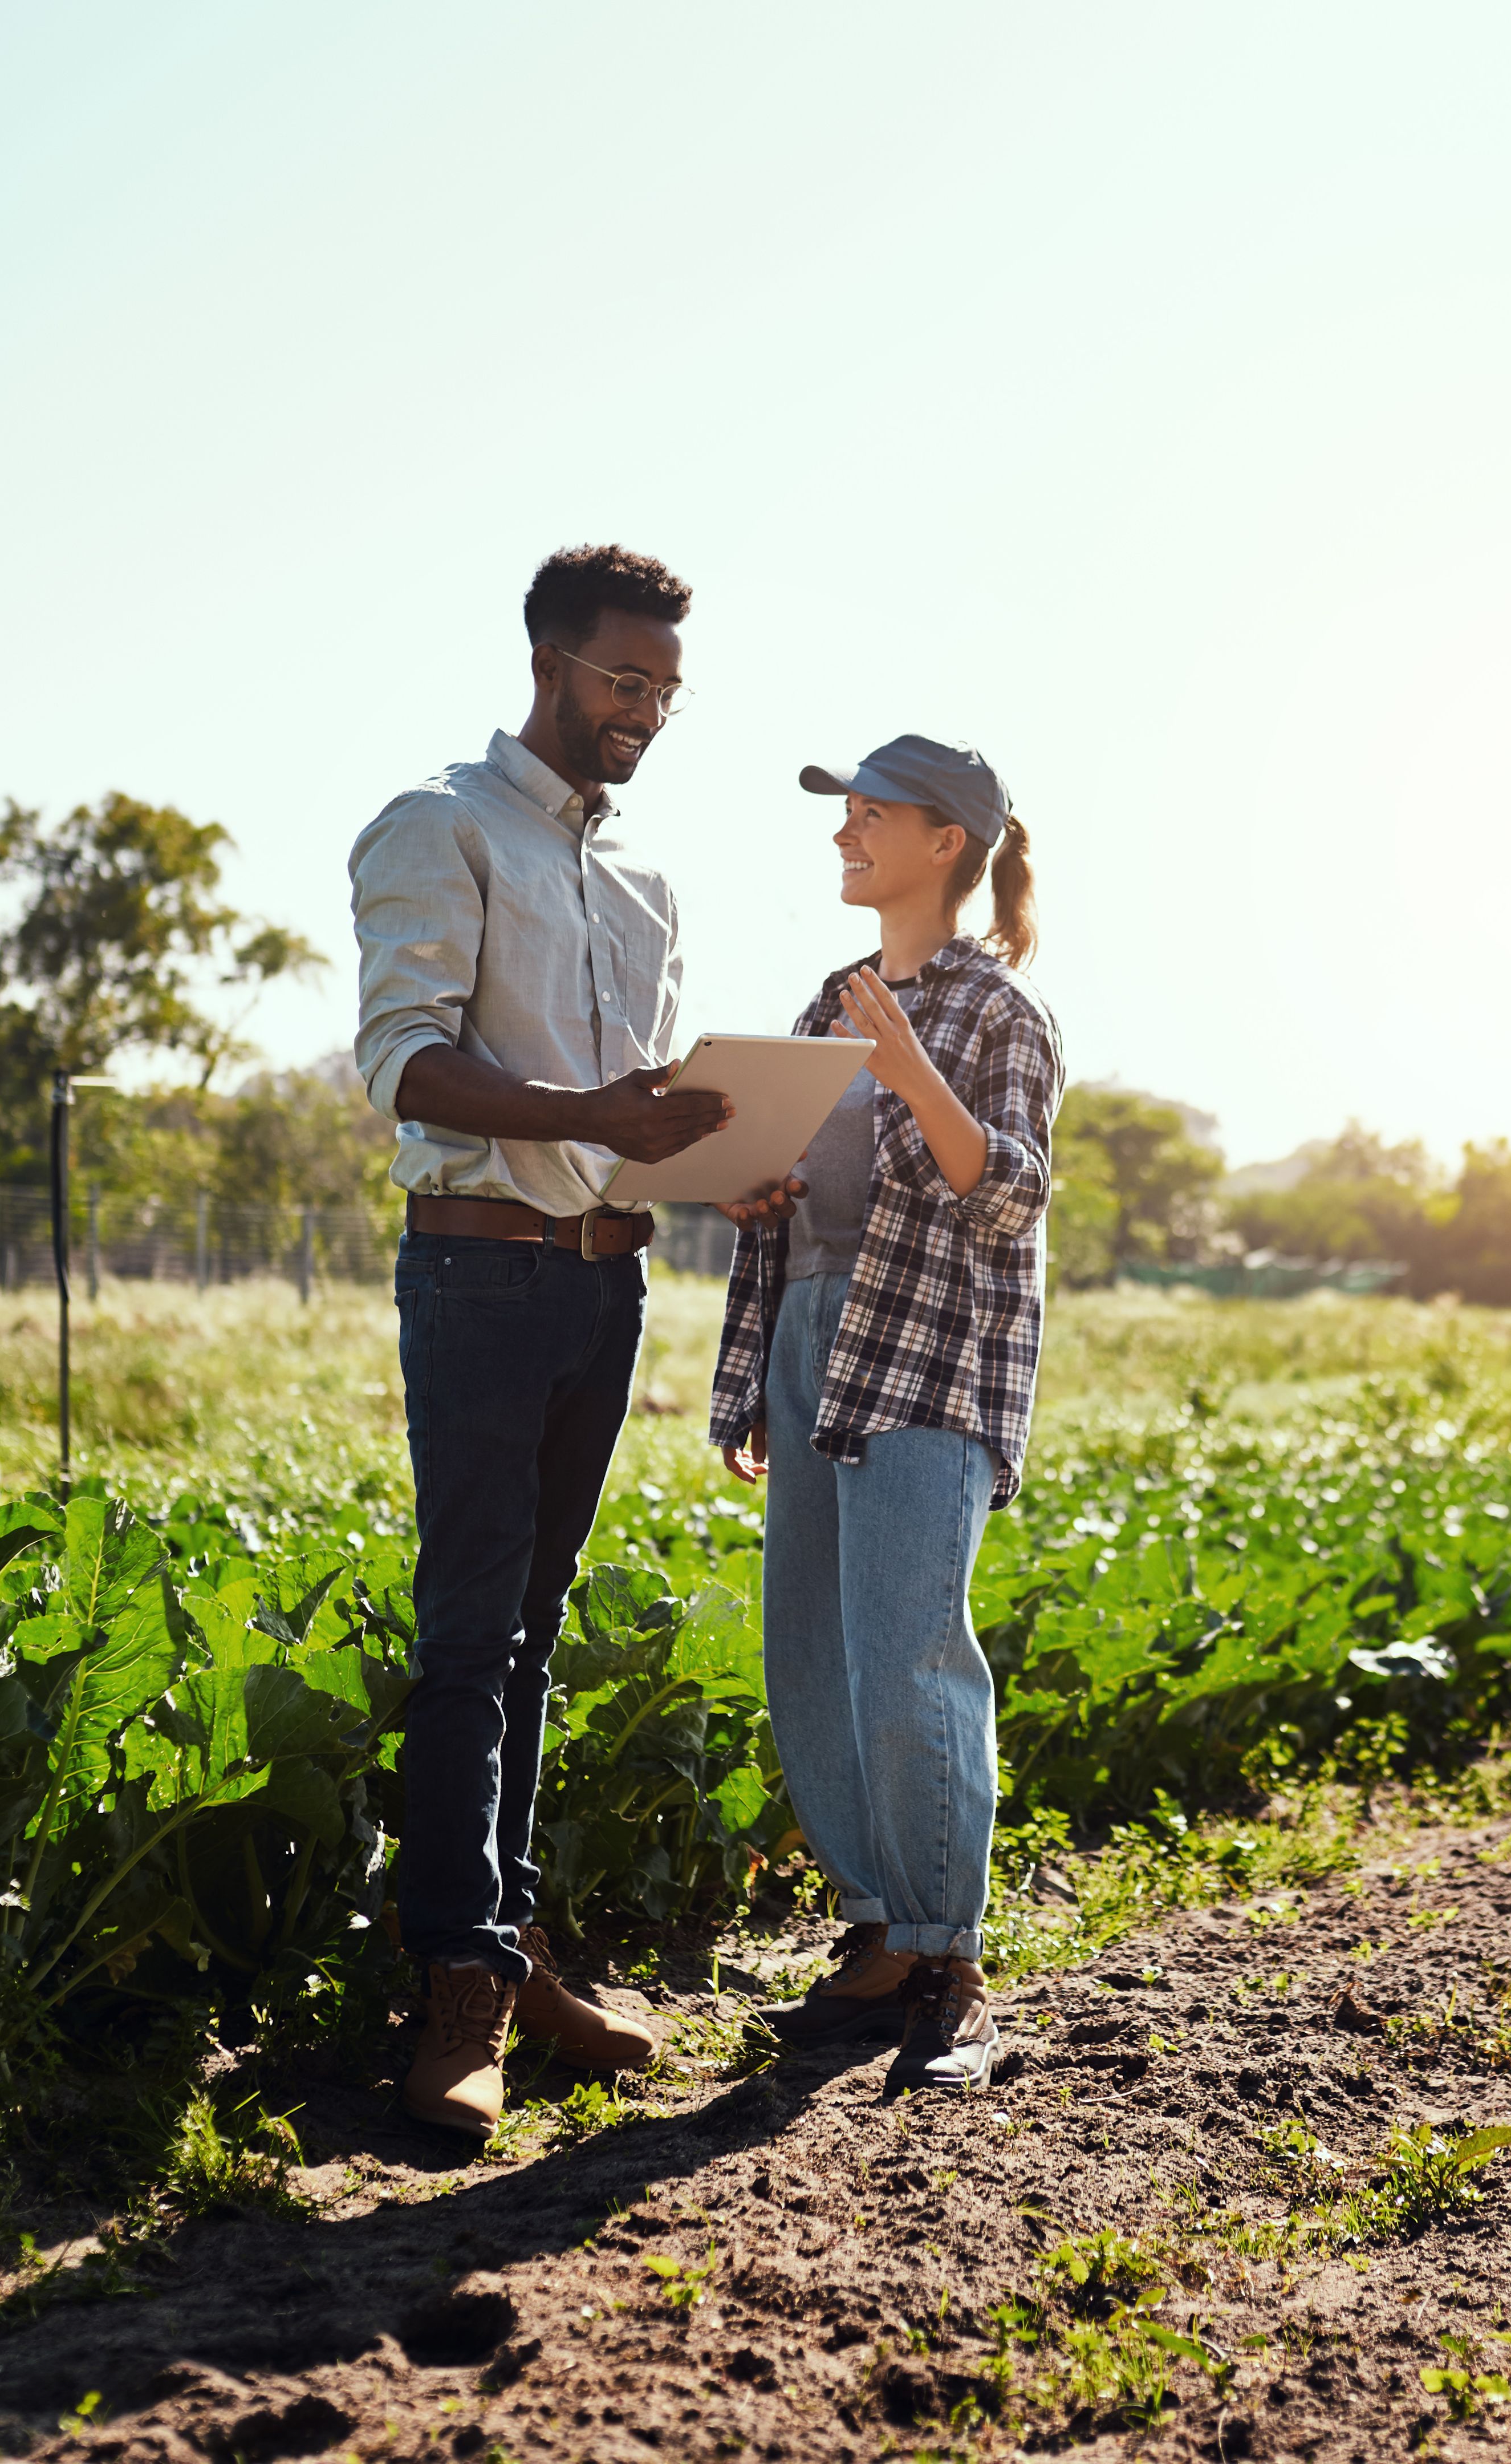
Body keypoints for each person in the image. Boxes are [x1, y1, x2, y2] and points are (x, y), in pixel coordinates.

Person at [350, 544, 735, 2141]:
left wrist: (719, 1153)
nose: (644, 710)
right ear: (547, 664)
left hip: (603, 1285)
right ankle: (453, 1985)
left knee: (534, 1629)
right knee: (466, 1637)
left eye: (667, 690)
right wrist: (588, 1114)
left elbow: (636, 1107)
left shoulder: (645, 882)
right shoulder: (439, 826)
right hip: (481, 1275)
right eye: (623, 679)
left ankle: (511, 1953)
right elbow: (406, 1062)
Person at [709, 733, 1062, 2092]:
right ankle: (877, 1938)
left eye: (871, 814)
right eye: (843, 814)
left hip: (926, 1359)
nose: (844, 834)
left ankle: (951, 1966)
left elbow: (1011, 1195)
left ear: (946, 843)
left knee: (913, 1657)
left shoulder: (999, 1013)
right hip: (813, 1343)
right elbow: (804, 1200)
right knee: (810, 1655)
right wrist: (752, 1191)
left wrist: (913, 1072)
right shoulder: (825, 1007)